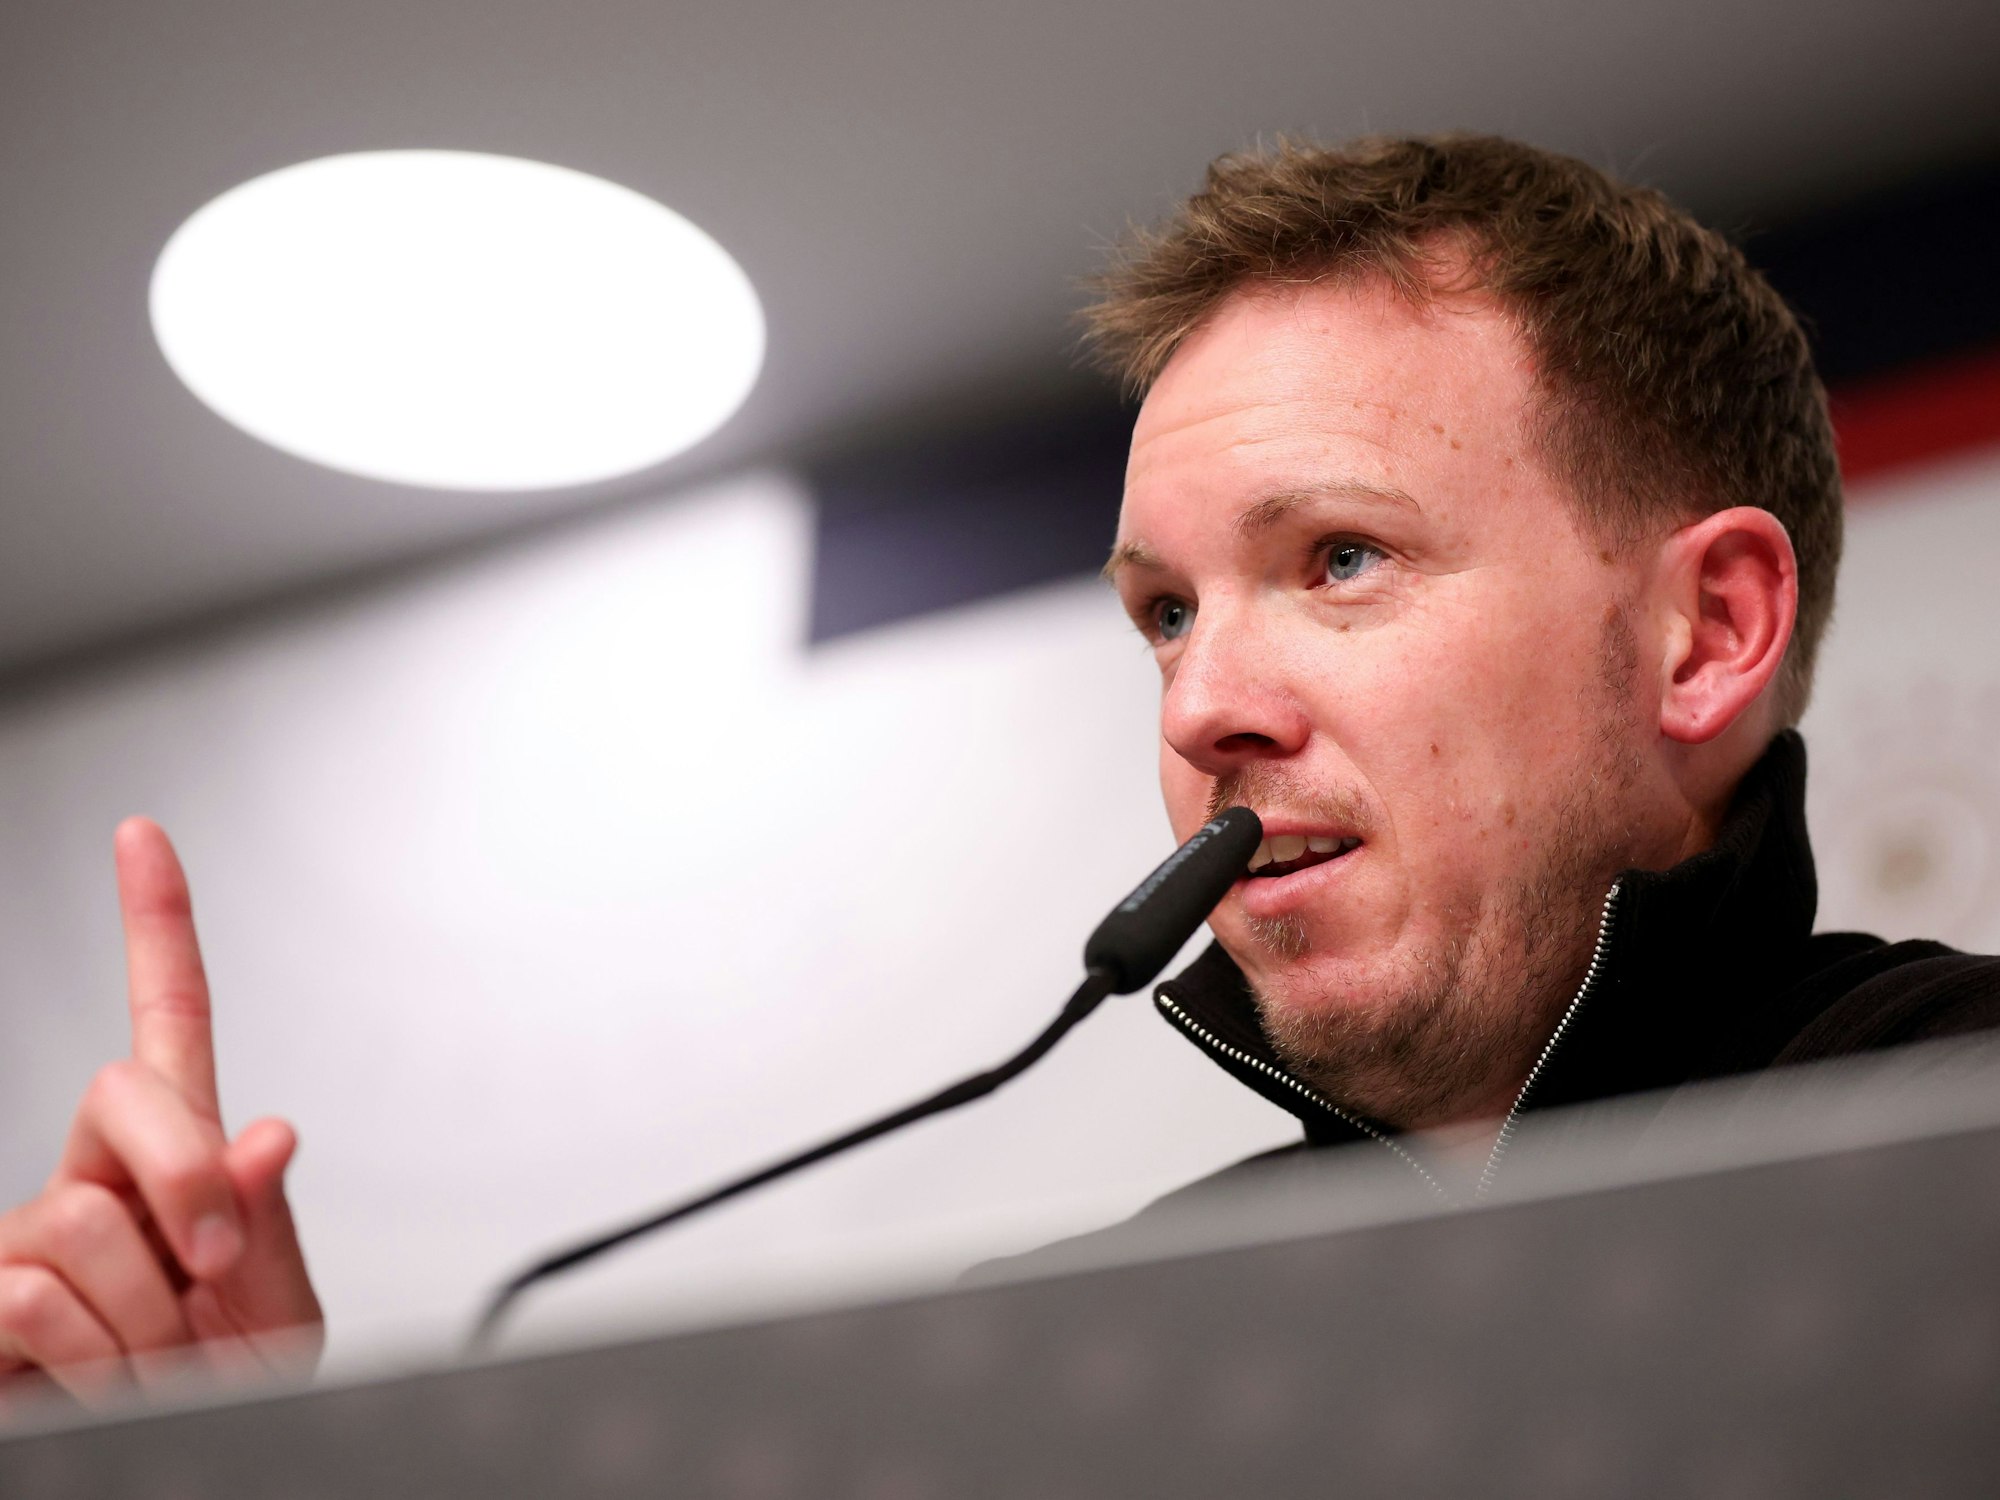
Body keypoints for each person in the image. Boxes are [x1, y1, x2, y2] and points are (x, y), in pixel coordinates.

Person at [4, 132, 1997, 1399]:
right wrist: (233, 1459)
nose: (1204, 698)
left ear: (1704, 633)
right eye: (1161, 611)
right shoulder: (1075, 1357)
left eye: (1339, 560)